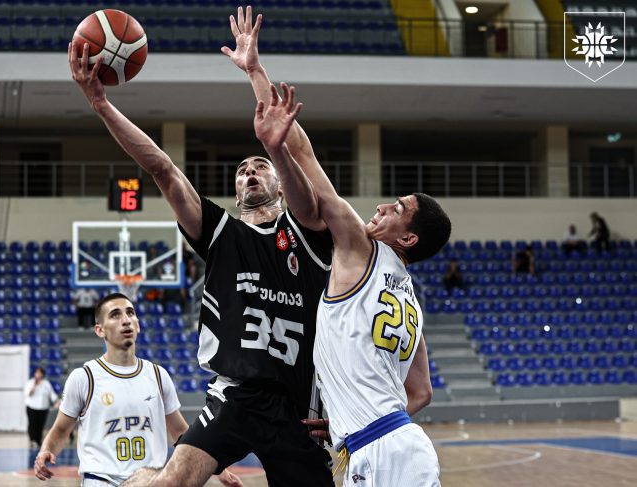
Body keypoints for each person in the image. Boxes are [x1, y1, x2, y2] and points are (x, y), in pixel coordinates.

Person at [68, 16, 334, 486]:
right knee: (173, 482)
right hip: (235, 393)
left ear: (279, 180)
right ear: (235, 191)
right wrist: (101, 104)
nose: (250, 172)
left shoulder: (309, 228)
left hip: (298, 404)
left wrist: (255, 73)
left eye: (260, 166)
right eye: (242, 170)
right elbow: (162, 168)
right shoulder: (220, 232)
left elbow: (297, 151)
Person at [252, 71, 449, 486]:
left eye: (397, 208)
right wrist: (351, 420)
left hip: (381, 449)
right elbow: (422, 392)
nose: (383, 206)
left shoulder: (362, 248)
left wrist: (255, 73)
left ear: (408, 238)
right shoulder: (410, 300)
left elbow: (302, 153)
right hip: (389, 442)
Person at [33, 293, 241, 486]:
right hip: (101, 480)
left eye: (130, 313)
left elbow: (180, 432)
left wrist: (217, 468)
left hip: (151, 481)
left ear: (138, 325)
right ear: (100, 330)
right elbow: (61, 429)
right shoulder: (84, 377)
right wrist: (46, 450)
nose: (125, 320)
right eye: (115, 315)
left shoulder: (158, 375)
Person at [25, 366, 60, 447]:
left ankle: (38, 440)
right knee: (32, 424)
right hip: (32, 407)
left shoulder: (46, 384)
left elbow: (51, 394)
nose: (38, 374)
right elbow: (28, 394)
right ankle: (32, 440)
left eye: (40, 373)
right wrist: (34, 385)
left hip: (43, 408)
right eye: (37, 373)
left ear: (42, 374)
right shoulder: (30, 383)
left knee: (40, 425)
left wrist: (56, 401)